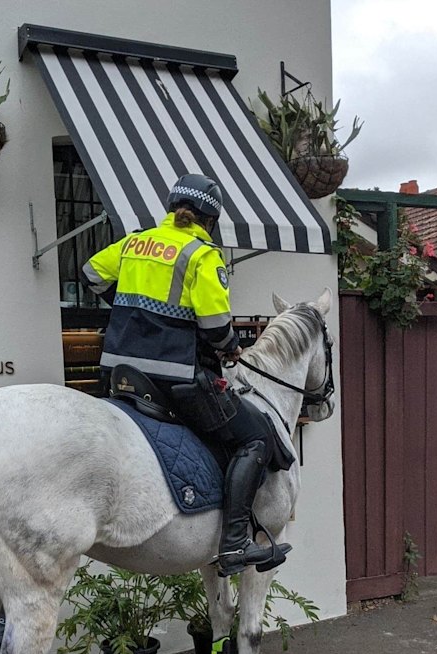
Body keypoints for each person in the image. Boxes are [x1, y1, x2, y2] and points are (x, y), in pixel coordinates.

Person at [81, 174, 291, 576]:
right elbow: (214, 326)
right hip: (174, 380)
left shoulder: (133, 242)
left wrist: (130, 309)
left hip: (120, 375)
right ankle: (233, 545)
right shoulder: (201, 255)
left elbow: (91, 274)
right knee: (255, 435)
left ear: (171, 207)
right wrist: (231, 346)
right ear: (209, 220)